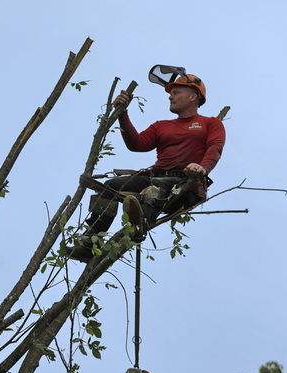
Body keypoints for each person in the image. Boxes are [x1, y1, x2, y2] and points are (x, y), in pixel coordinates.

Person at [68, 74, 226, 261]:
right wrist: (123, 114)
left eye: (176, 92)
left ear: (193, 97)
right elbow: (137, 144)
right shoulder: (161, 126)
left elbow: (215, 148)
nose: (170, 96)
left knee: (155, 189)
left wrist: (202, 168)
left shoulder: (210, 123)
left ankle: (139, 223)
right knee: (109, 186)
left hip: (185, 185)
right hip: (157, 177)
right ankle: (88, 245)